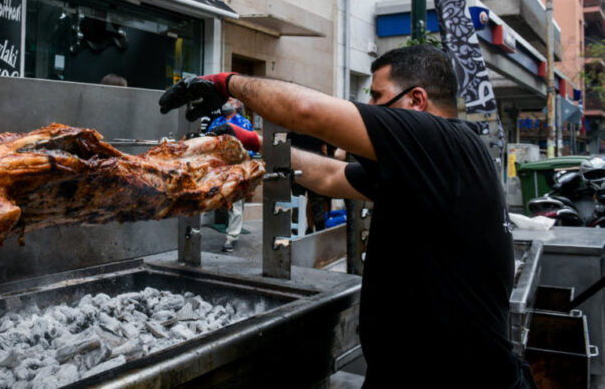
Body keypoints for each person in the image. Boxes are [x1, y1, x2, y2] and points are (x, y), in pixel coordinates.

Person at [159, 45, 532, 388]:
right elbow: (329, 176)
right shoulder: (426, 166)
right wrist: (254, 143)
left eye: (377, 97)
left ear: (417, 100)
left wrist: (227, 83)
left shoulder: (444, 142)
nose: (371, 105)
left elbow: (307, 112)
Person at [207, 99, 257, 252]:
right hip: (217, 167)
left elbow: (251, 147)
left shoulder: (244, 123)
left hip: (236, 165)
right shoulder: (217, 121)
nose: (225, 102)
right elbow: (207, 140)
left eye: (229, 100)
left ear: (237, 104)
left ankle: (232, 237)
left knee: (235, 203)